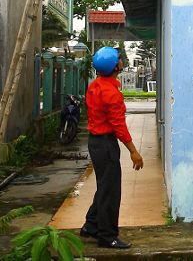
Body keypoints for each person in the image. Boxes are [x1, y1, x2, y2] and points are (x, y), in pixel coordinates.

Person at [80, 47, 144, 249]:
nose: (122, 60)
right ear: (115, 66)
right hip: (106, 144)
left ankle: (91, 225)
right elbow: (119, 127)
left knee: (105, 186)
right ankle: (107, 236)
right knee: (111, 191)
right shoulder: (111, 93)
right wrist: (133, 151)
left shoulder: (95, 85)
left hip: (95, 142)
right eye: (119, 59)